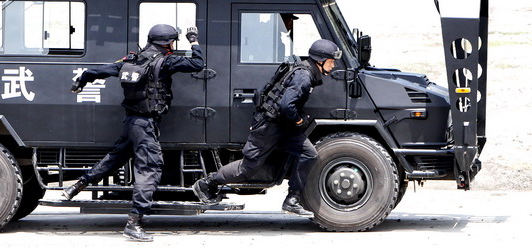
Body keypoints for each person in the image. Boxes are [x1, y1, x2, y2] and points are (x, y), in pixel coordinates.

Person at [63, 24, 204, 242]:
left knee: (115, 158)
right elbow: (197, 63)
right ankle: (134, 221)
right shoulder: (165, 61)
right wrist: (193, 40)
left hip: (131, 122)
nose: (174, 46)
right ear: (168, 43)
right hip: (145, 125)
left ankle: (77, 185)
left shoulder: (132, 59)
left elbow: (103, 70)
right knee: (150, 168)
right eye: (174, 42)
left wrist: (83, 79)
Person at [192, 39, 341, 217]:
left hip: (284, 127)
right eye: (332, 62)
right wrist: (299, 121)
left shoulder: (306, 71)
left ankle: (292, 200)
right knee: (247, 168)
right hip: (269, 127)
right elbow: (287, 105)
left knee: (309, 153)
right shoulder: (304, 76)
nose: (333, 66)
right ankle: (207, 184)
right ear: (320, 60)